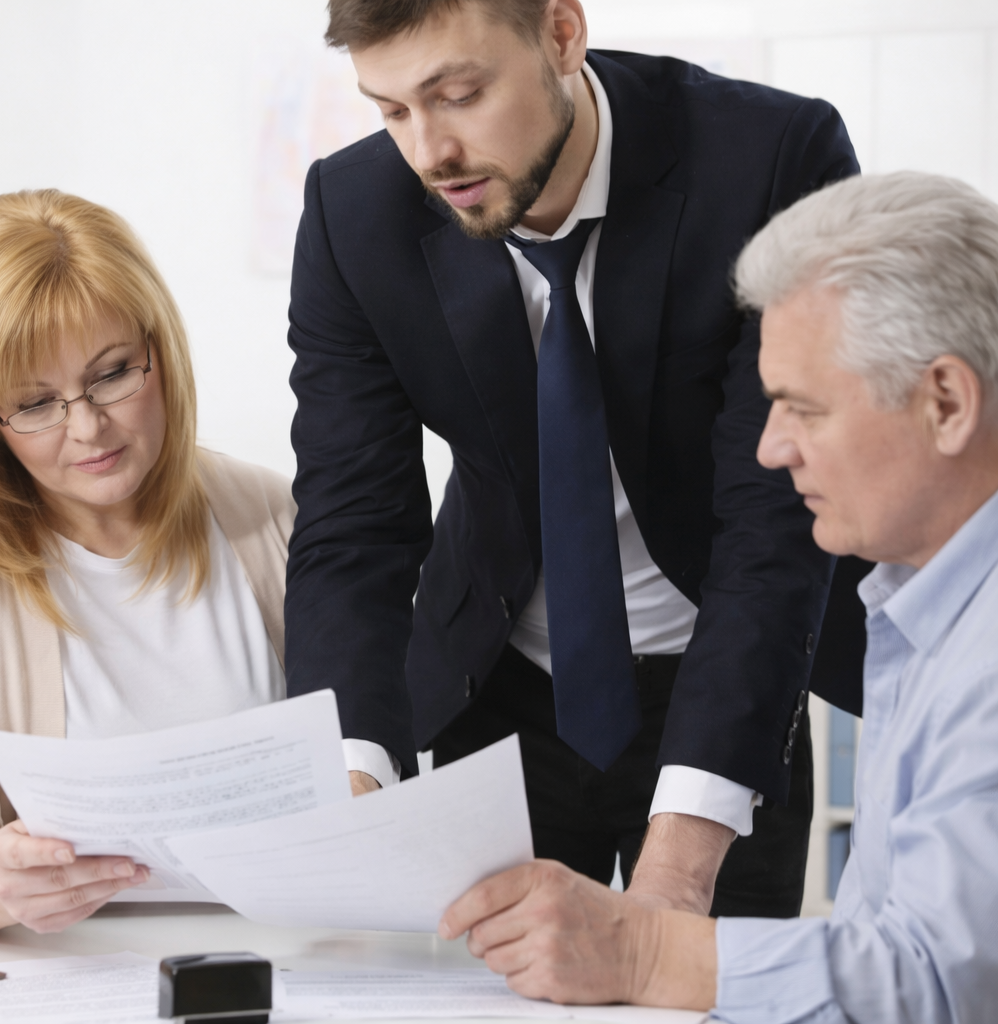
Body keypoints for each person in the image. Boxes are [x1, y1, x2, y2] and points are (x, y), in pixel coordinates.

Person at [284, 0, 868, 916]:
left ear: (561, 33)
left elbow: (777, 510)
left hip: (723, 674)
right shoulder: (352, 215)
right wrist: (351, 777)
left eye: (461, 95)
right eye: (392, 110)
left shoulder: (772, 159)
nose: (430, 152)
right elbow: (353, 524)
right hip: (499, 677)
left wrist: (680, 865)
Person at [439, 170, 998, 1022]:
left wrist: (635, 947)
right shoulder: (922, 605)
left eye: (801, 409)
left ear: (946, 402)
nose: (772, 450)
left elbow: (936, 982)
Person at [0, 189, 296, 936]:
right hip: (62, 980)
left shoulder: (272, 515)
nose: (89, 426)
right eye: (34, 404)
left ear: (160, 351)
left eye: (115, 373)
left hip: (294, 959)